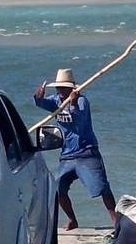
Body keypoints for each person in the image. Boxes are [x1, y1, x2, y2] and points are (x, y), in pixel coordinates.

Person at [33, 68, 118, 231]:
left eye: (63, 88)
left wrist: (72, 103)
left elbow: (80, 122)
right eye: (58, 88)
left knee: (101, 187)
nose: (59, 91)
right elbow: (41, 103)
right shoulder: (56, 101)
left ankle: (116, 221)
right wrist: (39, 96)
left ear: (71, 88)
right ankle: (73, 220)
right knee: (58, 188)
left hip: (86, 152)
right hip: (67, 155)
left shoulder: (81, 102)